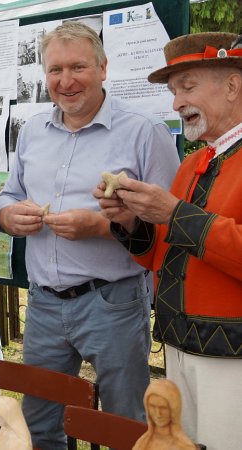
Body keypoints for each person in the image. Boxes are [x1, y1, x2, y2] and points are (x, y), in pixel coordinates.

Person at [0, 21, 180, 449]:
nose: (66, 81)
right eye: (55, 70)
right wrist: (10, 217)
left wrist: (101, 226)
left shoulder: (144, 131)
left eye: (77, 67)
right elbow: (9, 194)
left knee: (123, 424)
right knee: (40, 424)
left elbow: (172, 221)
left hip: (113, 301)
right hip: (43, 302)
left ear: (103, 68)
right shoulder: (32, 131)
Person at [94, 32, 242, 450]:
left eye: (187, 87)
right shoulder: (195, 161)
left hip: (232, 361)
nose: (176, 103)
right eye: (175, 91)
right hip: (178, 349)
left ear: (232, 86)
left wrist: (175, 214)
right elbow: (161, 257)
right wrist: (130, 223)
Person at [133, 379, 196, 450]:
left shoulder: (185, 446)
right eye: (152, 406)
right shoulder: (142, 443)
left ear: (173, 409)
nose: (158, 414)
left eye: (163, 408)